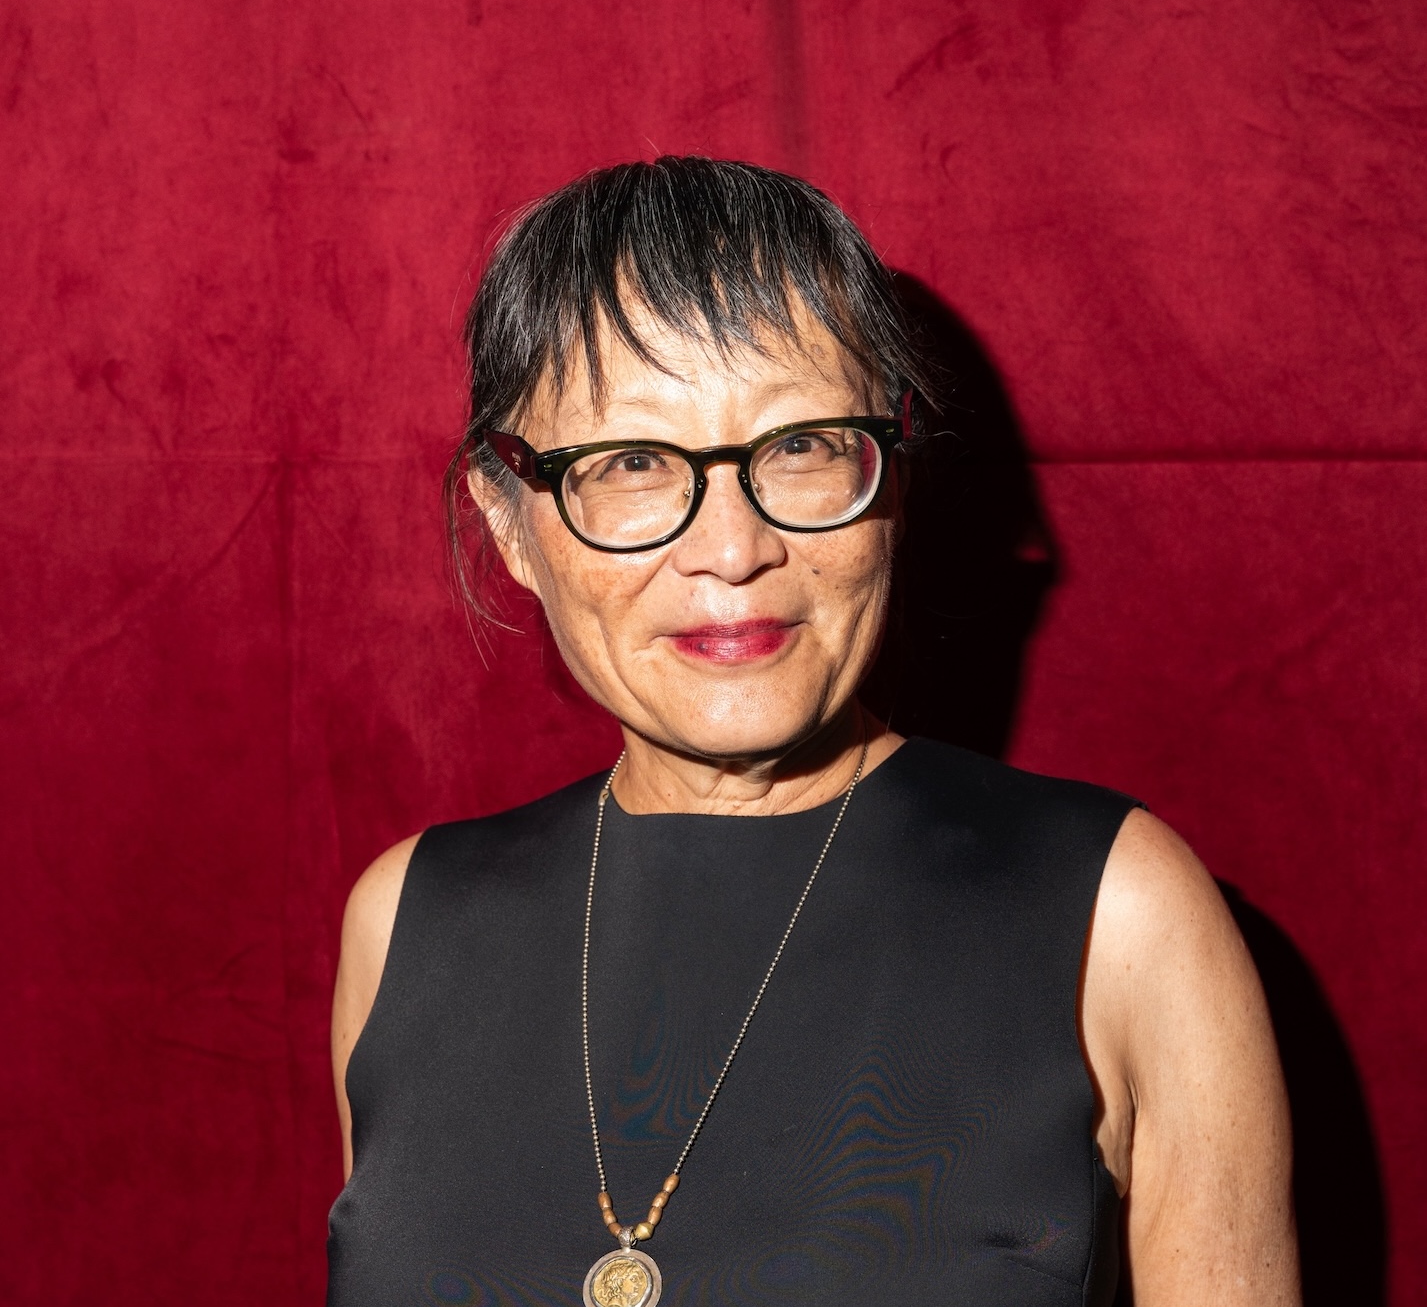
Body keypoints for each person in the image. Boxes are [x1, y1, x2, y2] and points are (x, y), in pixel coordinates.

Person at [327, 157, 1299, 1307]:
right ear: (508, 522)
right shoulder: (406, 918)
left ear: (889, 480)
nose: (732, 550)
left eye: (799, 445)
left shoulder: (1119, 911)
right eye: (631, 462)